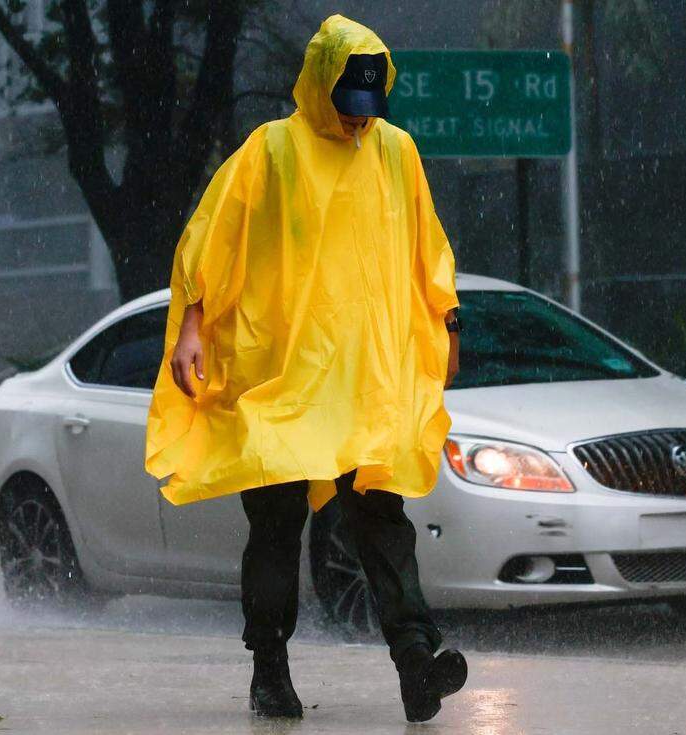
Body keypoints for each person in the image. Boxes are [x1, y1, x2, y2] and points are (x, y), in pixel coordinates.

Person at [144, 14, 467, 723]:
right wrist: (192, 327)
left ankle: (417, 664)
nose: (357, 126)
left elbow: (427, 249)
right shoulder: (272, 152)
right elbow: (211, 239)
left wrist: (446, 320)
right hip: (281, 379)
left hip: (363, 381)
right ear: (320, 87)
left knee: (382, 516)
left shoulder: (396, 152)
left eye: (368, 112)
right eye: (348, 111)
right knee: (277, 525)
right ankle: (269, 666)